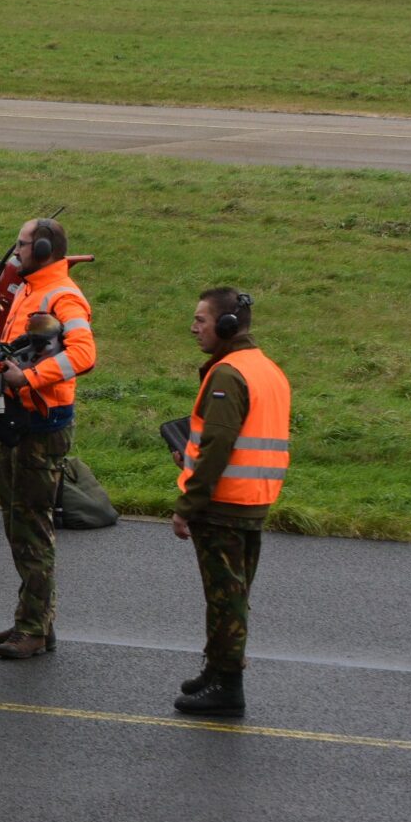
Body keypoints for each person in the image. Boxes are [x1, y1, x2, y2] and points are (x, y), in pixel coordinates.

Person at [172, 288, 290, 718]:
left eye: (201, 320)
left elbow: (220, 443)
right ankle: (216, 670)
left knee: (226, 598)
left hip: (224, 504)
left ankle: (227, 686)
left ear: (225, 326)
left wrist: (189, 503)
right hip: (253, 501)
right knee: (231, 594)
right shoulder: (266, 369)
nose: (194, 327)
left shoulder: (227, 374)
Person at [0, 217, 96, 661]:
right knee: (18, 526)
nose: (15, 250)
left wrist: (27, 378)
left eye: (23, 243)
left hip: (39, 428)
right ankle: (33, 619)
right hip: (18, 421)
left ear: (44, 248)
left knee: (31, 530)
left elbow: (84, 355)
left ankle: (34, 629)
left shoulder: (62, 295)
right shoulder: (31, 288)